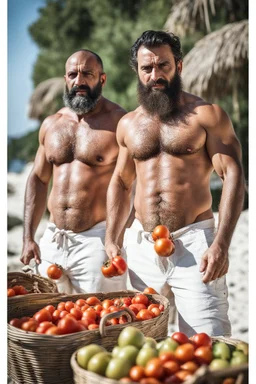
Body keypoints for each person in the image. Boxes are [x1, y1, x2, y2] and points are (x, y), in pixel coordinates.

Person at [105, 30, 245, 337]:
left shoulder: (207, 115)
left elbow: (233, 175)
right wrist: (112, 236)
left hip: (195, 245)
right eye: (147, 68)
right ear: (137, 71)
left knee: (206, 342)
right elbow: (120, 180)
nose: (155, 75)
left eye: (163, 66)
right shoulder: (128, 124)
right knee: (140, 343)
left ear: (178, 66)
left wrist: (221, 244)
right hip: (142, 246)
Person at [21, 49, 128, 294]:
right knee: (51, 321)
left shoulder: (120, 122)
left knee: (99, 320)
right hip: (53, 240)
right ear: (66, 78)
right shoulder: (52, 124)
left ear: (102, 79)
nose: (79, 81)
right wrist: (29, 237)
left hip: (97, 240)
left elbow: (131, 182)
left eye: (87, 74)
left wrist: (117, 237)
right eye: (73, 74)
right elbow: (38, 179)